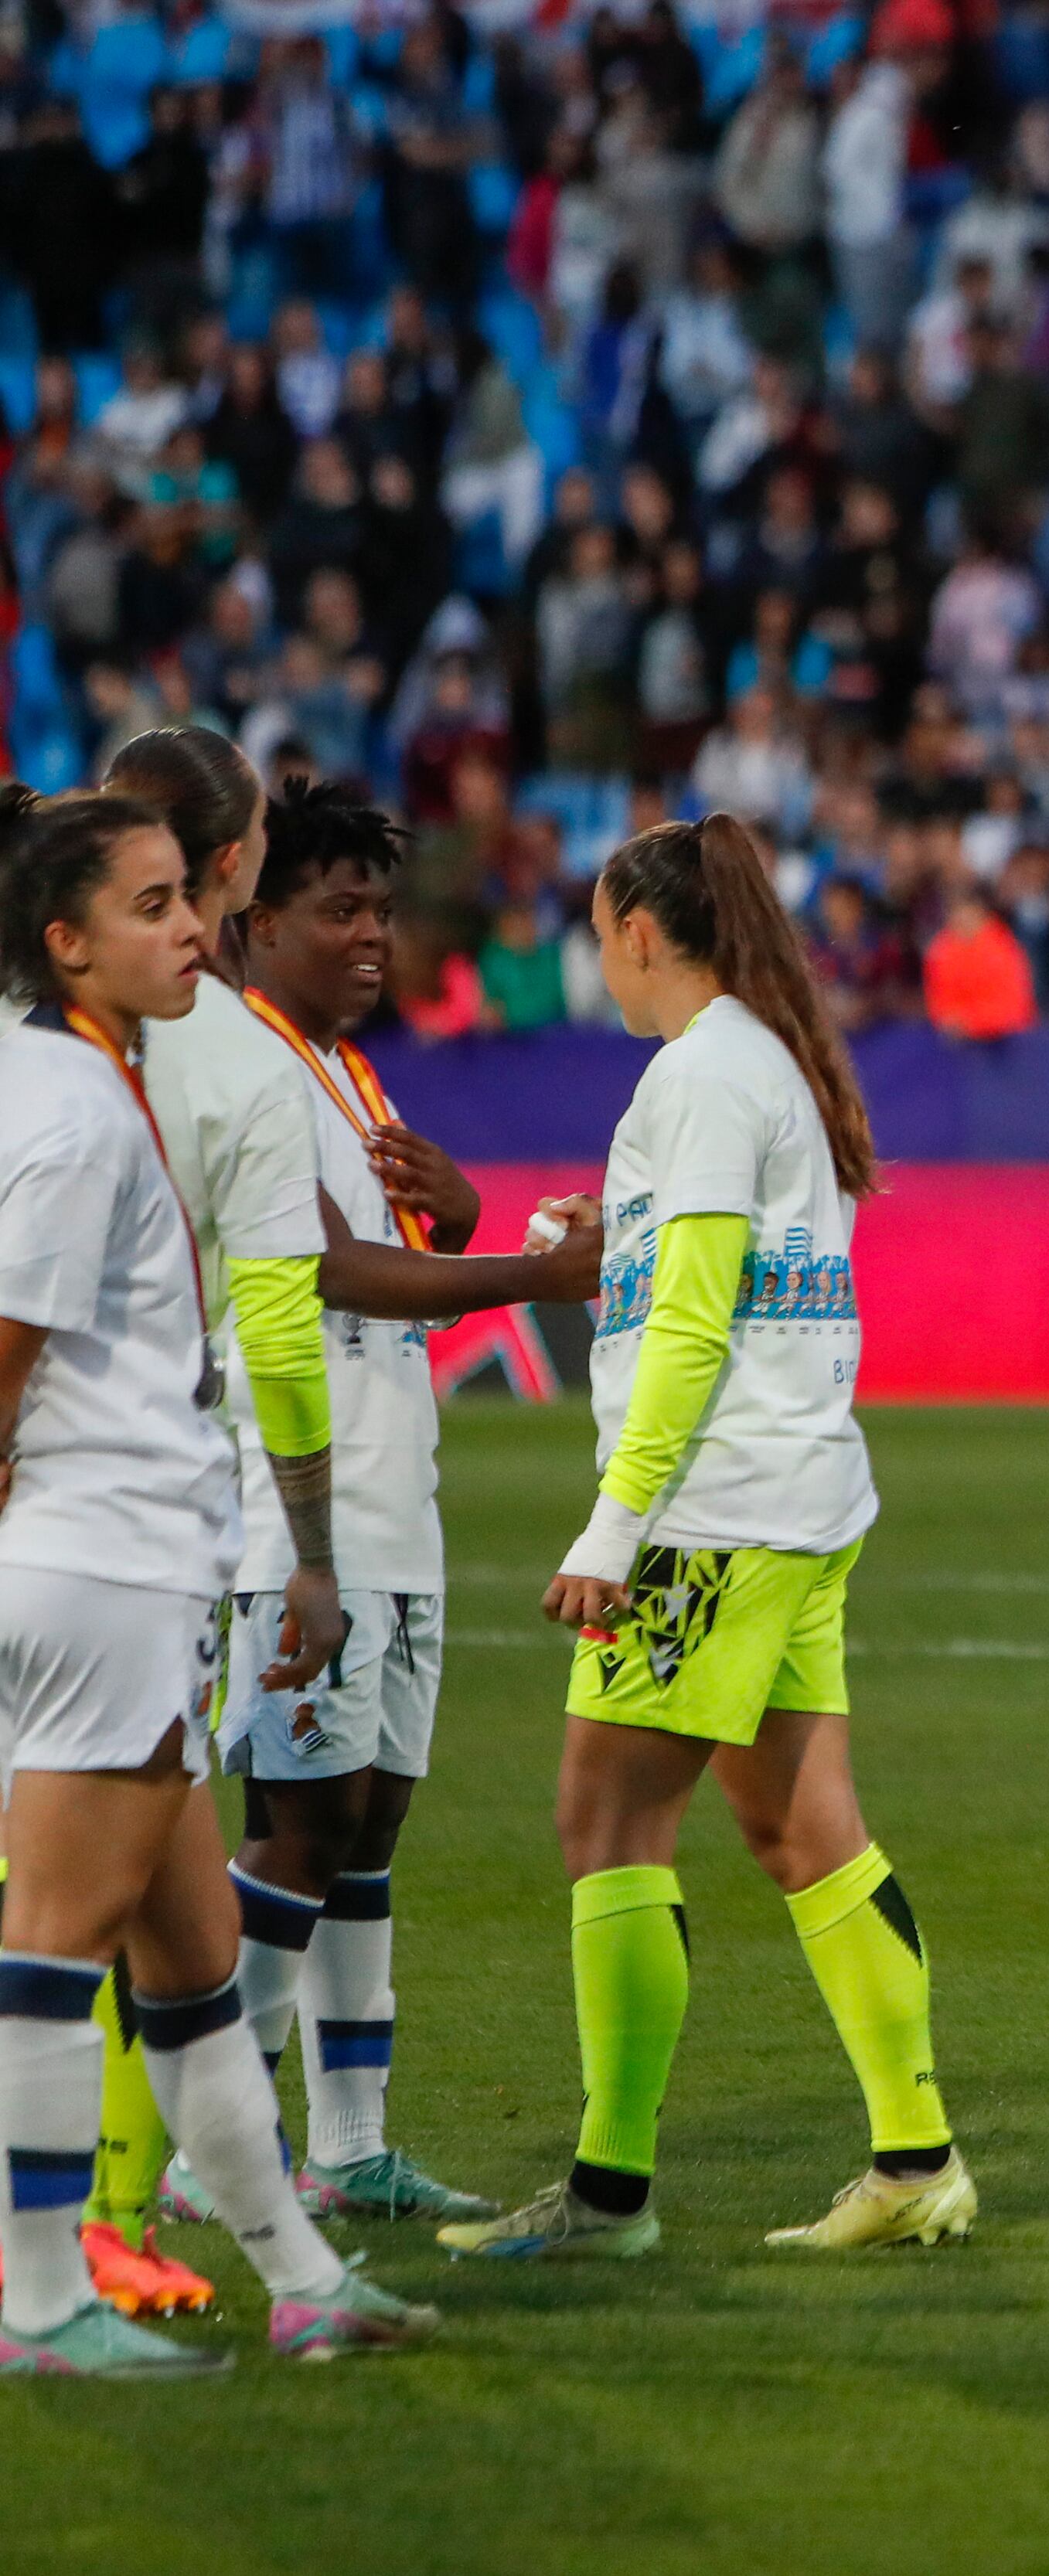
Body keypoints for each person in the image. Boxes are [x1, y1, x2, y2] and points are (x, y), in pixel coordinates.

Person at [442, 816, 972, 2262]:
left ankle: (610, 2194)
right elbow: (727, 1283)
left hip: (710, 1516)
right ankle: (915, 2155)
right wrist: (617, 1227)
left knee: (606, 1818)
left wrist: (615, 1526)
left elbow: (693, 1324)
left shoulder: (700, 1076)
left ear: (634, 931)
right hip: (792, 1502)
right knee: (802, 1824)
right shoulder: (763, 1063)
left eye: (595, 929)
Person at [0, 785, 432, 2374]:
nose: (193, 926)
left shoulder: (79, 1075)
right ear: (67, 943)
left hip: (122, 1558)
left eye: (189, 894)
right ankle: (38, 2297)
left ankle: (302, 2273)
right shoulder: (69, 1107)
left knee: (188, 1965)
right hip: (100, 1555)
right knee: (49, 1945)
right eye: (153, 903)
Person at [192, 781, 594, 2229]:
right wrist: (526, 1280)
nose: (372, 936)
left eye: (381, 909)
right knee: (294, 1826)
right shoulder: (236, 1056)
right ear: (257, 922)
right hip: (294, 1505)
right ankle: (206, 2142)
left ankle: (348, 2144)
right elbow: (318, 1270)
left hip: (391, 1501)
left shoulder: (344, 1070)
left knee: (366, 1833)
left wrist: (471, 1213)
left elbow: (398, 1239)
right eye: (338, 911)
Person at [94, 724, 338, 2319]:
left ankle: (172, 2229)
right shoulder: (237, 1057)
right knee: (106, 1879)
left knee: (91, 1882)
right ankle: (100, 2218)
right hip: (139, 1513)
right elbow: (280, 1325)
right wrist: (311, 1541)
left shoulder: (38, 1023)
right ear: (240, 864)